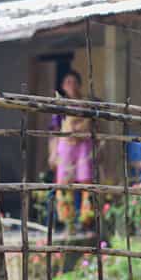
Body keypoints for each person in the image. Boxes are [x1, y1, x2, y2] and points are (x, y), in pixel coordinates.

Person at [50, 70, 94, 227]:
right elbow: (54, 132)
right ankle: (67, 221)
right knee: (64, 183)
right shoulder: (60, 106)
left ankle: (86, 220)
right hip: (65, 147)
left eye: (74, 82)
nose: (71, 85)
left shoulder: (88, 104)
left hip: (83, 146)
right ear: (62, 86)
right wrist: (53, 154)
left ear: (79, 84)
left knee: (86, 181)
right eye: (67, 82)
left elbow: (94, 126)